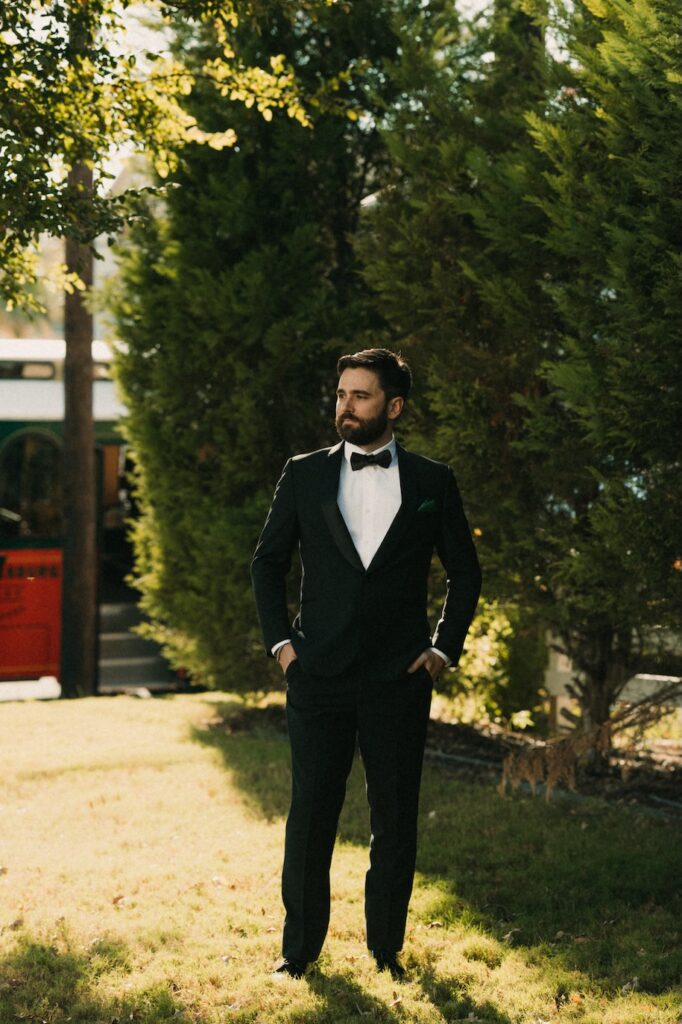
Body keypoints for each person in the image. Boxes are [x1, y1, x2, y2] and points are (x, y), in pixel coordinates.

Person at [251, 348, 481, 981]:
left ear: (393, 406)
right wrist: (283, 647)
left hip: (398, 679)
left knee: (395, 818)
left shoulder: (433, 481)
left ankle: (386, 949)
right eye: (341, 394)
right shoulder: (304, 474)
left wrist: (441, 650)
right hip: (317, 675)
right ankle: (298, 953)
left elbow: (465, 573)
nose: (345, 407)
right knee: (310, 816)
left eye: (360, 396)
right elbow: (267, 563)